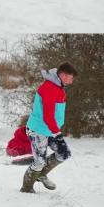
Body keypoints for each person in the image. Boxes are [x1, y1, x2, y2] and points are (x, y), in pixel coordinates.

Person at [20, 62, 77, 193]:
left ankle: (41, 174)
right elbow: (47, 116)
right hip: (38, 130)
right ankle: (26, 188)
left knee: (63, 154)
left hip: (49, 130)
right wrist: (57, 133)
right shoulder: (50, 88)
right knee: (39, 161)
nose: (71, 81)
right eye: (70, 78)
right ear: (62, 75)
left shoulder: (58, 87)